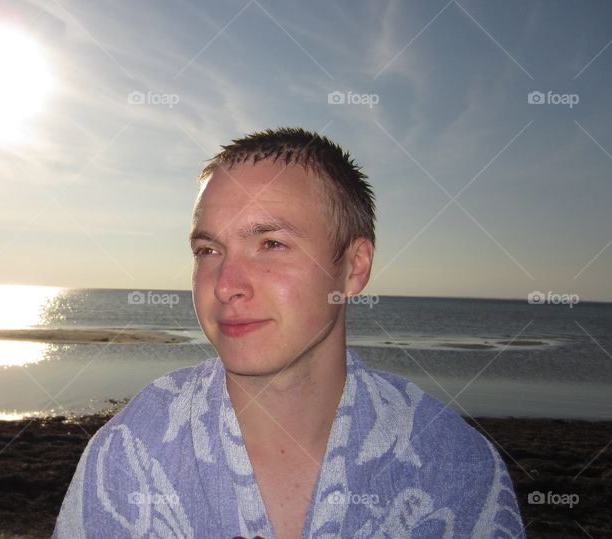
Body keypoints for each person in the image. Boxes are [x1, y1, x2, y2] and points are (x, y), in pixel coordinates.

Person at [54, 127, 524, 538]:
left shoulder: (453, 466)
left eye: (271, 243)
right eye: (207, 249)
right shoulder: (131, 454)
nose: (226, 285)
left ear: (354, 267)